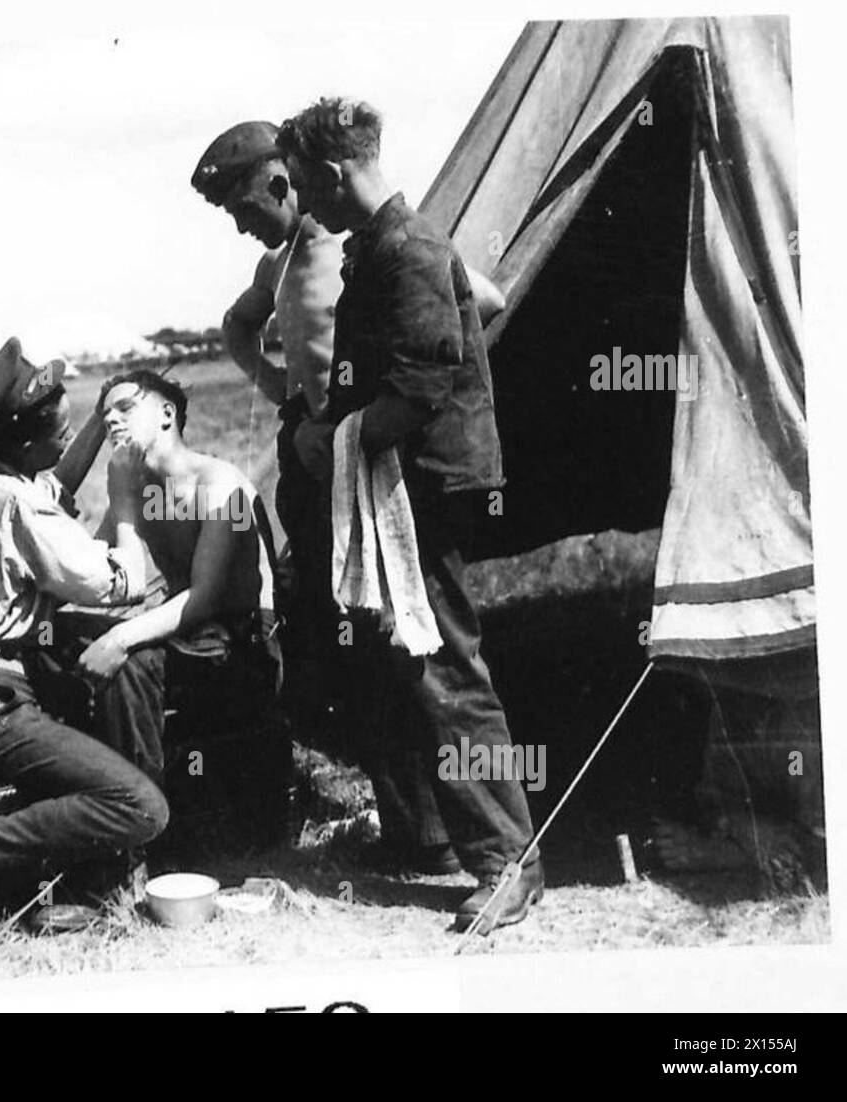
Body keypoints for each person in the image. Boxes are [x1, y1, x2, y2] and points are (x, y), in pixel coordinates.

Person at [192, 121, 505, 874]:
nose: (241, 228)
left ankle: (474, 840)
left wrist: (380, 404)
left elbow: (483, 302)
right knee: (355, 646)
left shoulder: (368, 247)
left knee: (418, 642)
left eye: (244, 210)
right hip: (318, 454)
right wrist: (283, 392)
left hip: (377, 454)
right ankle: (411, 827)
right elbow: (238, 328)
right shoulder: (284, 261)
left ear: (281, 182)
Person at [277, 98, 543, 933]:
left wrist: (339, 439)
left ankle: (508, 863)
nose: (303, 202)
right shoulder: (384, 247)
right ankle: (464, 844)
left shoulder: (409, 249)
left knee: (445, 671)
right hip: (401, 482)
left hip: (423, 485)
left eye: (303, 183)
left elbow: (425, 384)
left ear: (330, 171)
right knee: (419, 667)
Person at [0, 340, 169, 944]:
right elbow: (121, 582)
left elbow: (51, 489)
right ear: (25, 442)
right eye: (64, 429)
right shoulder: (16, 504)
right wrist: (125, 503)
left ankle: (24, 866)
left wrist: (98, 430)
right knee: (140, 806)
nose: (69, 438)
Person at [28, 369, 282, 790]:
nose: (111, 421)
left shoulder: (217, 483)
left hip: (244, 639)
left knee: (127, 661)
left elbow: (206, 598)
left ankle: (136, 812)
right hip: (194, 631)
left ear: (167, 415)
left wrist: (118, 637)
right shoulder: (141, 486)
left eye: (126, 408)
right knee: (50, 634)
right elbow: (89, 570)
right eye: (105, 414)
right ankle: (77, 782)